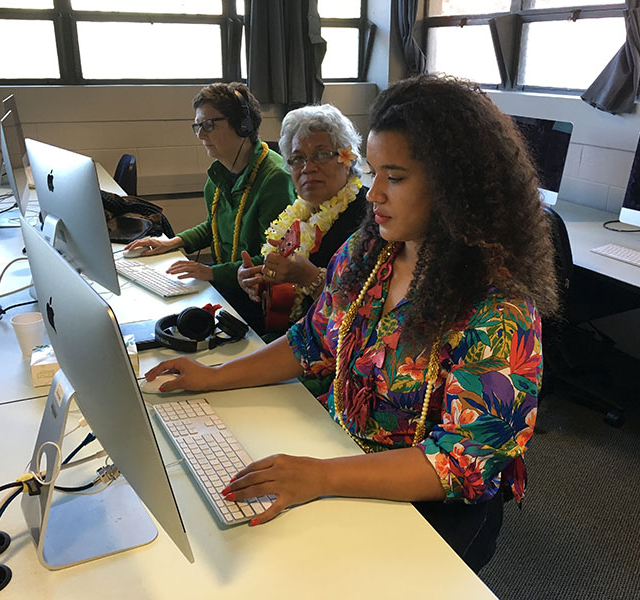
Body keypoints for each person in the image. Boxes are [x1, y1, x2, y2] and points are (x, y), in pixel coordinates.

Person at [144, 74, 558, 572]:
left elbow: (459, 463)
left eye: (396, 177)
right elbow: (313, 339)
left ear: (456, 187)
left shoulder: (500, 310)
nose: (373, 193)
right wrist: (214, 377)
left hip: (428, 502)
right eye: (375, 171)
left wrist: (322, 477)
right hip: (339, 450)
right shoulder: (369, 251)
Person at [125, 82, 294, 329]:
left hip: (256, 297)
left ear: (242, 125)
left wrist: (211, 272)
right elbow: (213, 226)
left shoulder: (275, 179)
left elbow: (272, 257)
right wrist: (172, 242)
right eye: (198, 126)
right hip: (228, 284)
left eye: (209, 125)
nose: (201, 135)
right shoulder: (218, 174)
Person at [236, 104, 367, 341]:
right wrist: (256, 282)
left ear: (346, 158)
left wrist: (312, 278)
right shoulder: (299, 214)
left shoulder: (369, 218)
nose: (307, 168)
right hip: (290, 338)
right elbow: (284, 297)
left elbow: (364, 316)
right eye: (297, 159)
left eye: (320, 155)